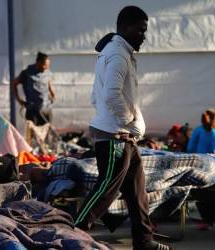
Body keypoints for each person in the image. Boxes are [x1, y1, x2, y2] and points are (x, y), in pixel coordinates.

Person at [74, 6, 172, 250]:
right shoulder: (117, 54)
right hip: (116, 137)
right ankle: (71, 233)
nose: (143, 35)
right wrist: (127, 121)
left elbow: (94, 96)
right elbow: (109, 96)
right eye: (140, 30)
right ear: (125, 27)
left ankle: (144, 241)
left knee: (137, 192)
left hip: (124, 137)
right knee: (106, 190)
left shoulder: (116, 52)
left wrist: (128, 126)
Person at [12, 52, 55, 127]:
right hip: (33, 111)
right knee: (33, 135)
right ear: (38, 62)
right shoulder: (27, 73)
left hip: (46, 108)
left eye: (48, 66)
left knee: (47, 134)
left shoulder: (47, 72)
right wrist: (19, 100)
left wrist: (53, 94)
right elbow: (14, 84)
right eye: (44, 65)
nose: (46, 68)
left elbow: (49, 83)